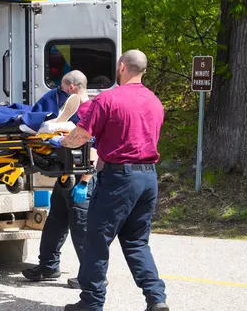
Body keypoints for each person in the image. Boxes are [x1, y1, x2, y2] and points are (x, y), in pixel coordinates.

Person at [50, 50, 169, 311]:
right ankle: (156, 298)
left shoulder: (108, 99)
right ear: (143, 71)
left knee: (96, 239)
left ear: (122, 66)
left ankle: (91, 302)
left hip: (119, 177)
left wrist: (59, 142)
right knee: (137, 241)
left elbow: (81, 135)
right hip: (148, 177)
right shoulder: (155, 101)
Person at [21, 70, 98, 289]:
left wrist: (84, 181)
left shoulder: (90, 111)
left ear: (71, 88)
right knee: (55, 222)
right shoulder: (69, 112)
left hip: (81, 177)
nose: (60, 92)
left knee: (81, 227)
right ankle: (48, 267)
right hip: (66, 175)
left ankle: (91, 276)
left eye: (62, 88)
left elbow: (95, 148)